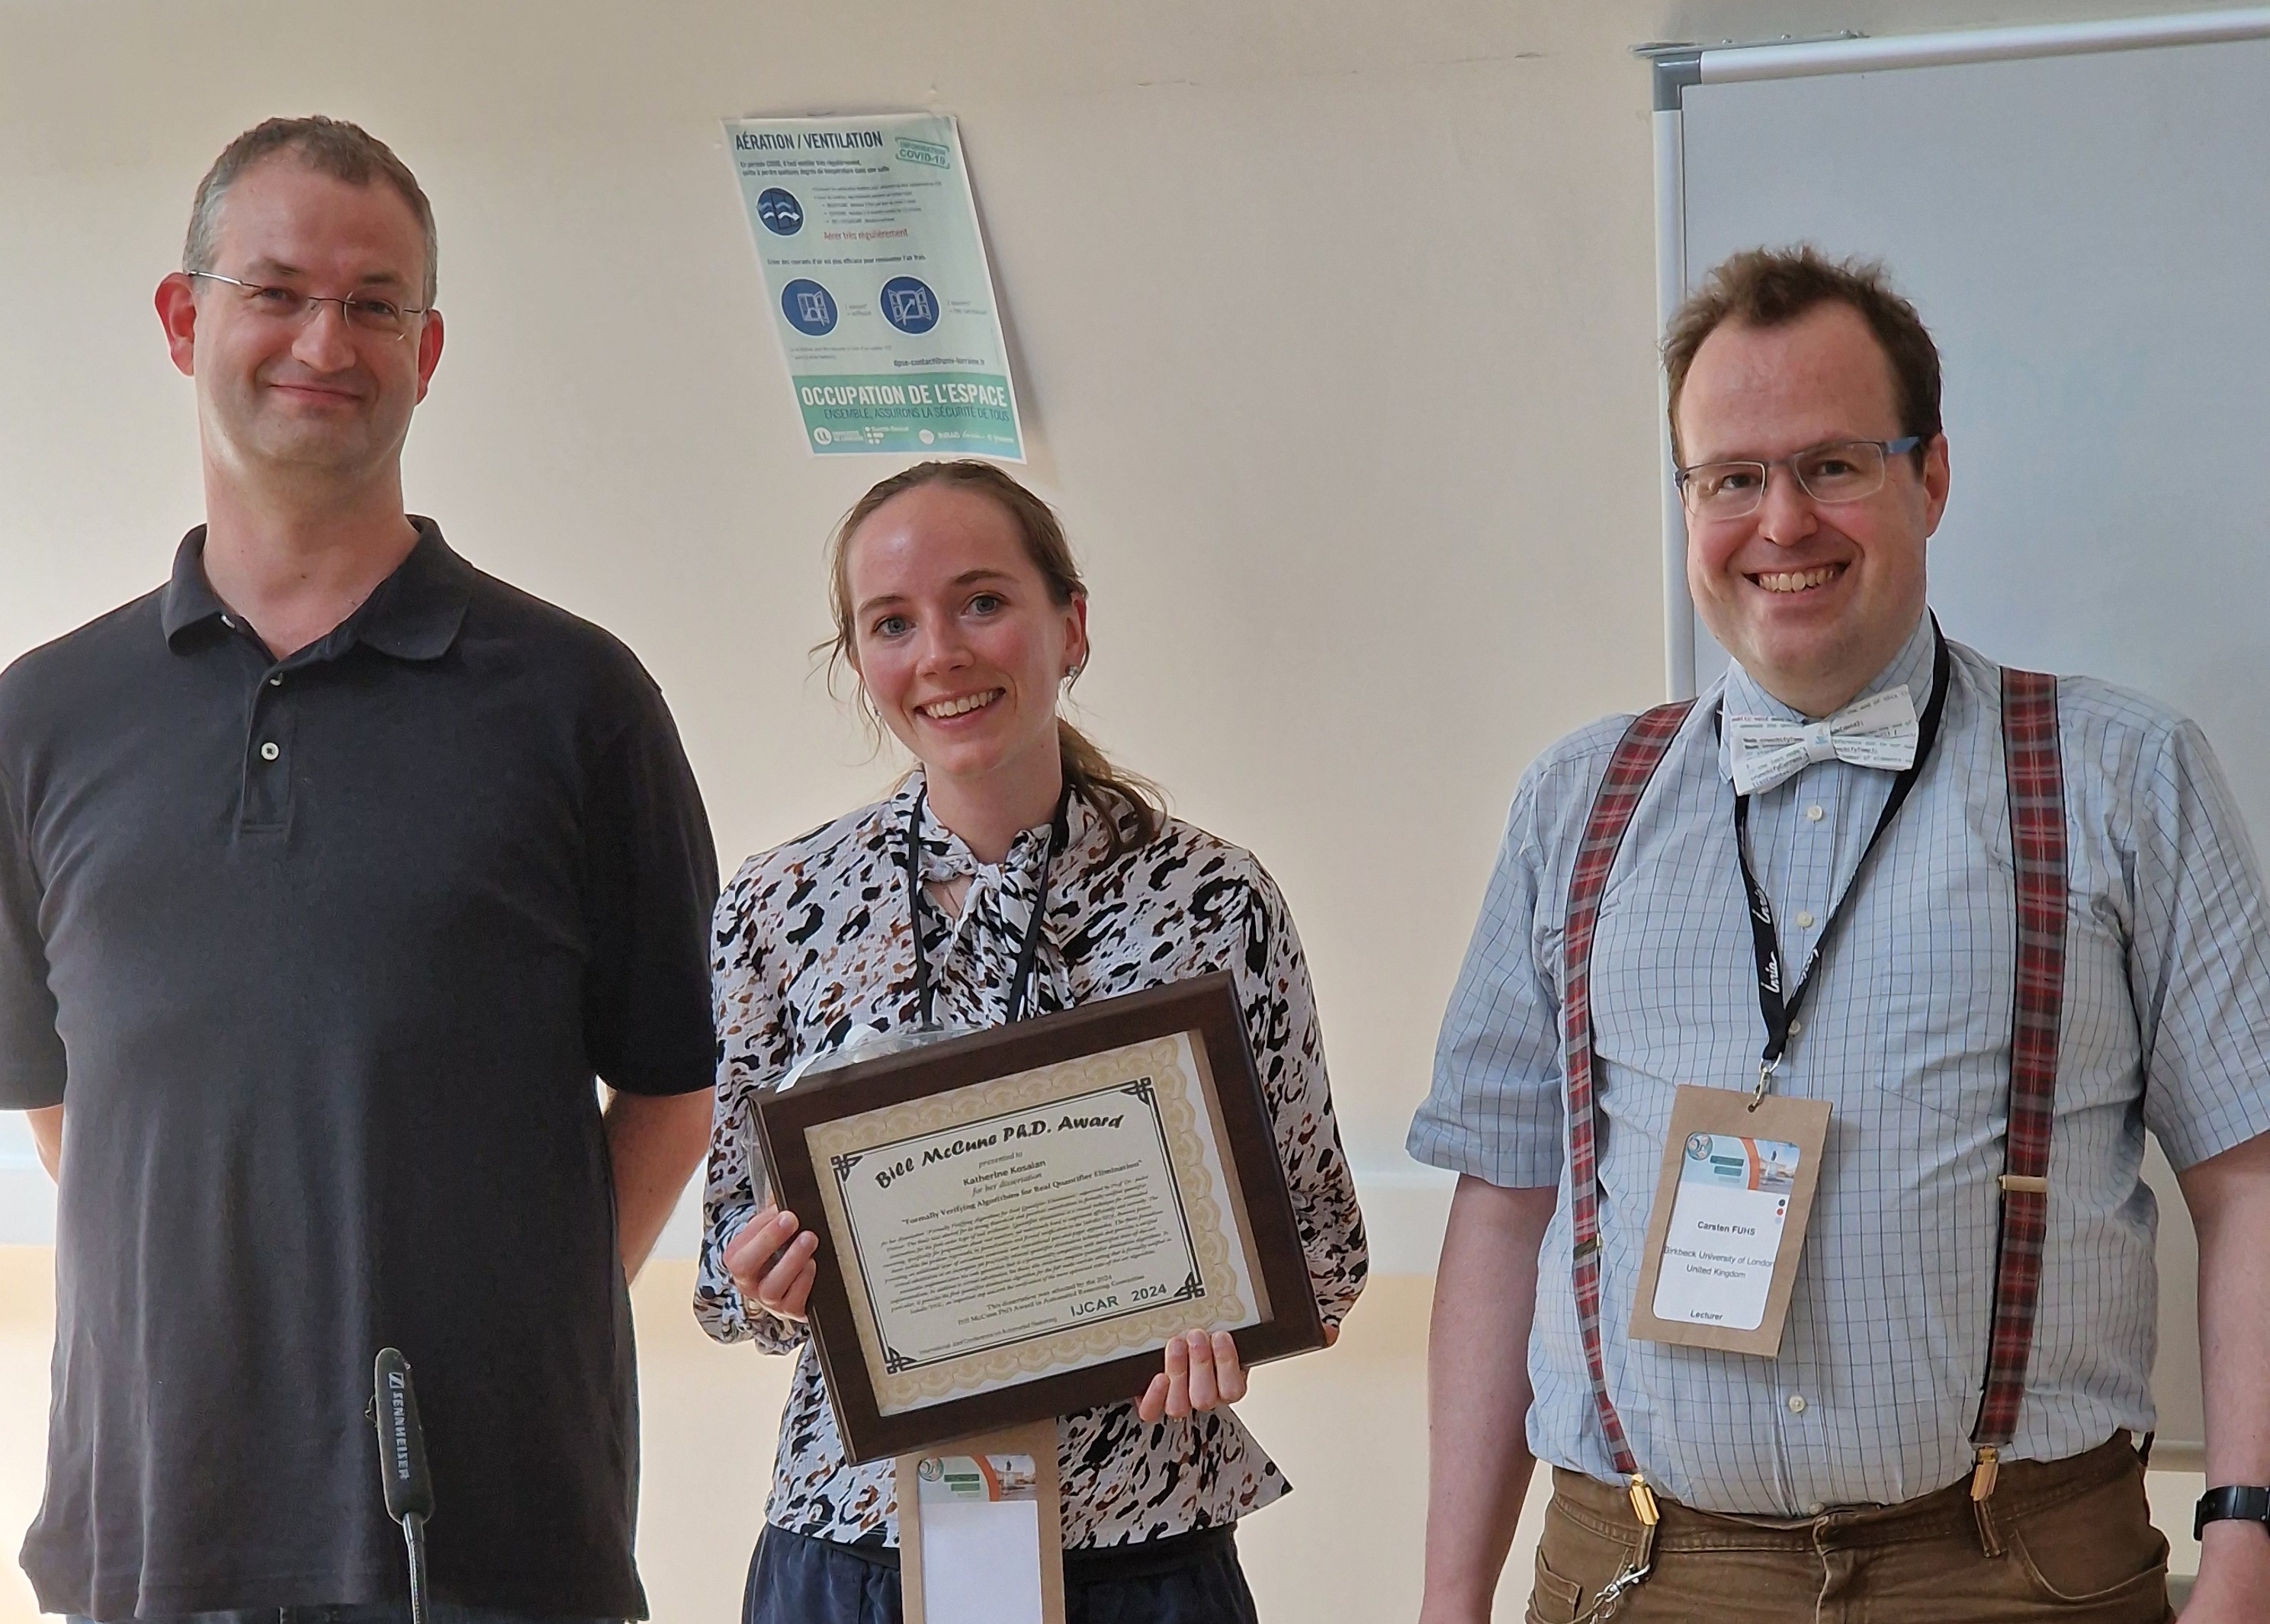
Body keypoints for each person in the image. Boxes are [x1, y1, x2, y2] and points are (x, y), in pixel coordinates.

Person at [1409, 247, 2270, 1623]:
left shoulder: (2123, 774)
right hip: (1635, 1576)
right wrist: (1447, 1602)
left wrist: (2245, 1540)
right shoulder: (1571, 804)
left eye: (1833, 464)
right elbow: (1503, 1211)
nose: (1780, 520)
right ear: (1686, 503)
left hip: (2015, 1575)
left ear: (1929, 478)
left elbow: (2249, 1183)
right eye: (1730, 477)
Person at [0, 117, 719, 1621]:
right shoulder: (42, 719)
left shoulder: (576, 701)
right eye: (276, 291)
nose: (324, 338)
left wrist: (508, 1310)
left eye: (374, 303)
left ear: (427, 348)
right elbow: (71, 1101)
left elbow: (673, 1086)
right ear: (184, 318)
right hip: (150, 1545)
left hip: (485, 1553)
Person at [698, 460, 1367, 1623]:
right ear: (859, 663)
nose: (941, 653)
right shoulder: (778, 904)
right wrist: (767, 1282)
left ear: (1072, 625)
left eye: (982, 602)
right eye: (892, 623)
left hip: (1139, 1542)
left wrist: (1231, 1324)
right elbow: (723, 1269)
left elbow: (1320, 1244)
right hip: (855, 1544)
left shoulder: (1215, 902)